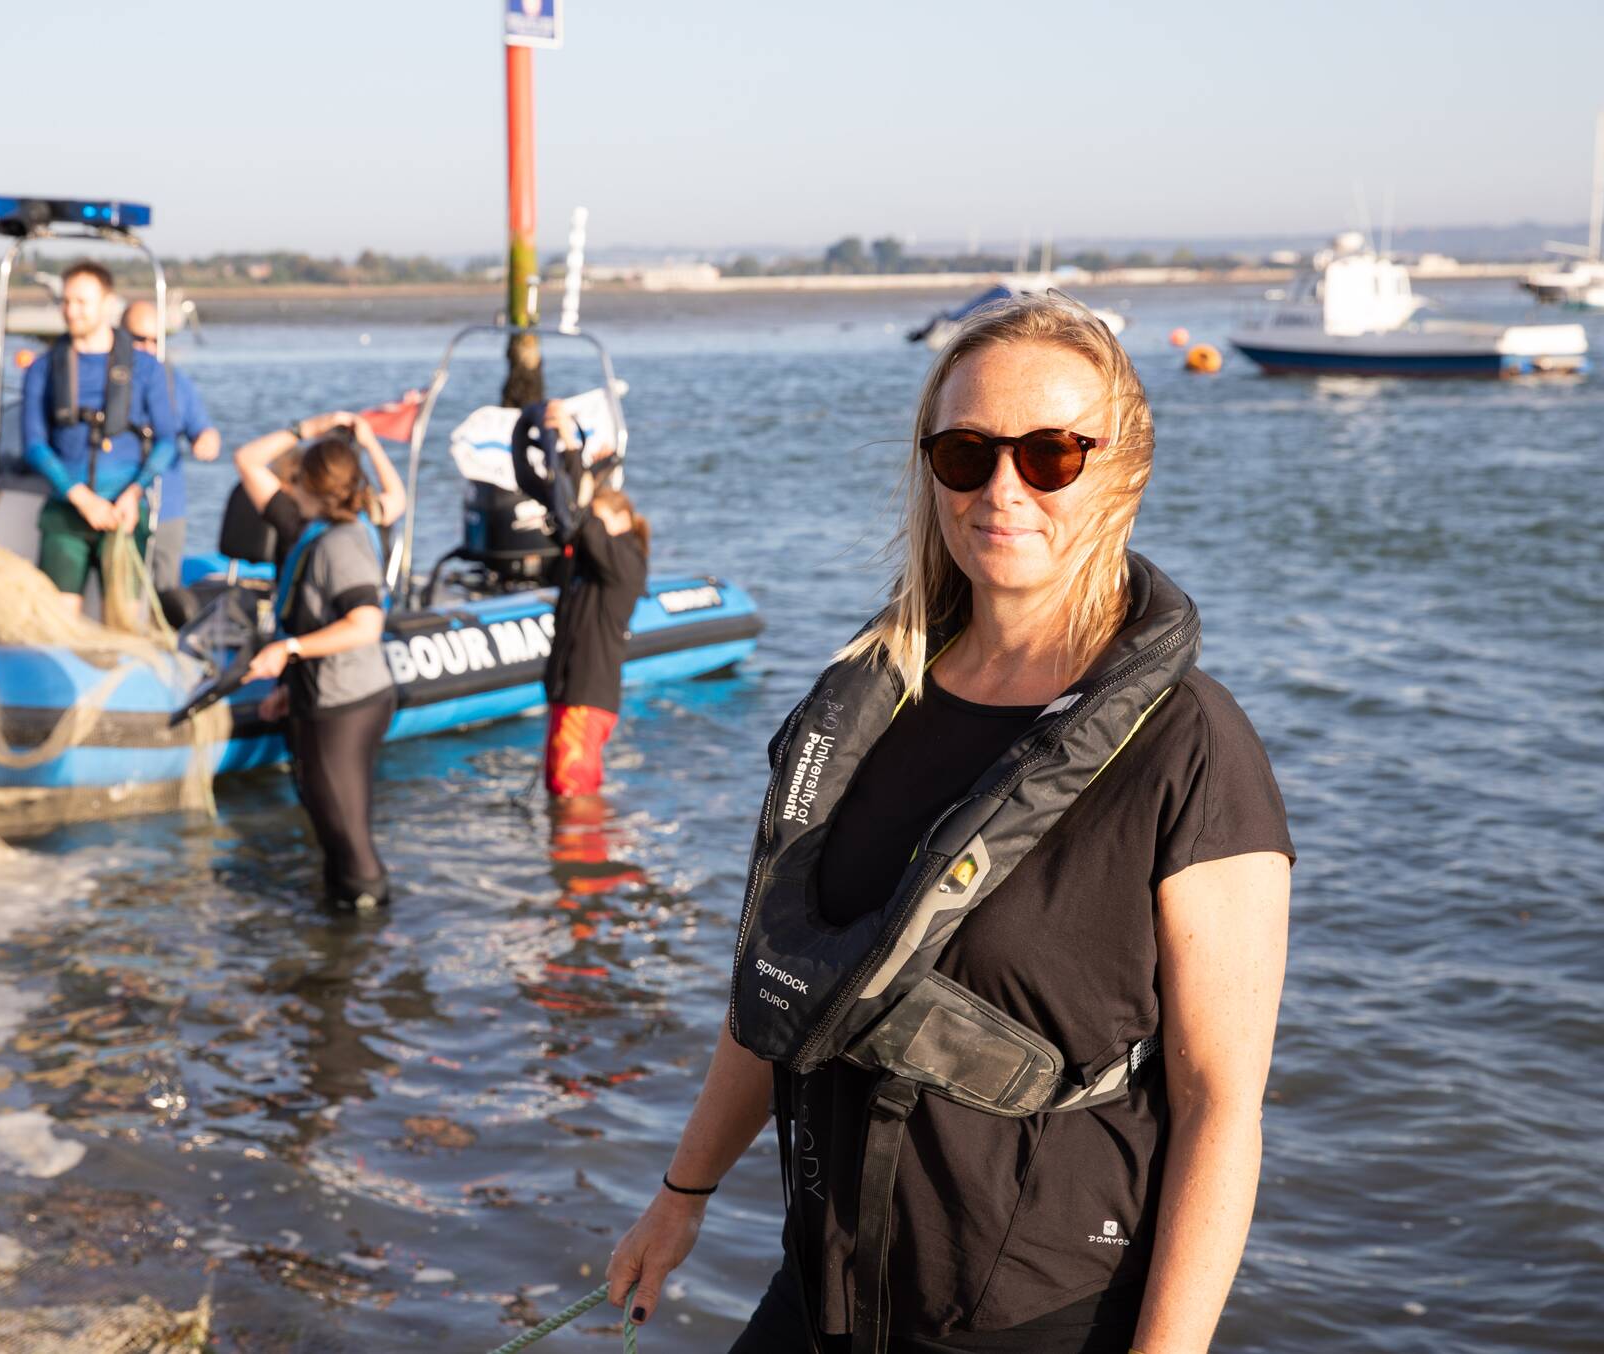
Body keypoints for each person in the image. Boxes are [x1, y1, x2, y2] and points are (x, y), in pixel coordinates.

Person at [605, 295, 1294, 1353]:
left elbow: (1217, 1104)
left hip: (1037, 1315)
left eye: (1052, 454)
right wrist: (679, 1193)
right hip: (826, 1284)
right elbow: (784, 987)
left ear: (1122, 473)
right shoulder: (861, 708)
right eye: (967, 453)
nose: (1002, 488)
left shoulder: (1191, 748)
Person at [234, 413, 405, 910]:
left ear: (304, 484)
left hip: (347, 701)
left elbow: (365, 623)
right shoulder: (339, 524)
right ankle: (340, 937)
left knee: (349, 837)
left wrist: (289, 651)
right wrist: (291, 685)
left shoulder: (341, 541)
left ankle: (364, 946)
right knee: (331, 828)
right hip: (320, 693)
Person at [22, 261, 178, 616]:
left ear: (107, 304)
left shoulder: (146, 368)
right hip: (66, 511)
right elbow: (33, 443)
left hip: (123, 513)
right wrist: (81, 499)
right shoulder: (43, 368)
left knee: (123, 618)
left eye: (81, 302)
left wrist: (133, 492)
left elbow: (167, 440)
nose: (70, 311)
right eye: (66, 301)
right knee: (58, 620)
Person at [511, 401, 648, 797]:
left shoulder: (625, 562)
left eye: (601, 522)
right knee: (564, 789)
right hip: (568, 694)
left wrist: (569, 445)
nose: (590, 530)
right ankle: (572, 851)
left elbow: (580, 517)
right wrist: (532, 436)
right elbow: (567, 510)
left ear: (622, 522)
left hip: (587, 698)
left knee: (572, 791)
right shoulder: (586, 563)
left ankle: (583, 857)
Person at [121, 298, 220, 595]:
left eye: (156, 340)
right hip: (118, 507)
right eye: (139, 340)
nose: (149, 348)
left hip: (167, 508)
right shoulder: (106, 377)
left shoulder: (174, 380)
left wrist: (207, 441)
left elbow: (204, 429)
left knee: (165, 590)